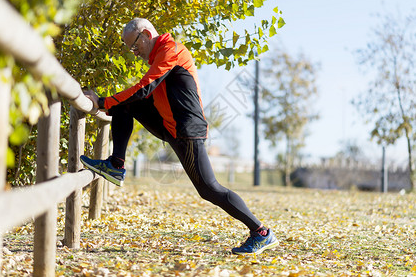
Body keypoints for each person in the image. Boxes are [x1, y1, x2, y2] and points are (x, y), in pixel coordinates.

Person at [80, 18, 278, 255]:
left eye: (134, 46)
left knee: (208, 188)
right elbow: (142, 95)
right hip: (169, 125)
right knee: (124, 105)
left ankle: (261, 232)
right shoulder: (159, 56)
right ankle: (115, 164)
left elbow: (146, 87)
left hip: (186, 130)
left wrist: (101, 102)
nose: (135, 53)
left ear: (145, 34)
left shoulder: (170, 50)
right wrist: (108, 103)